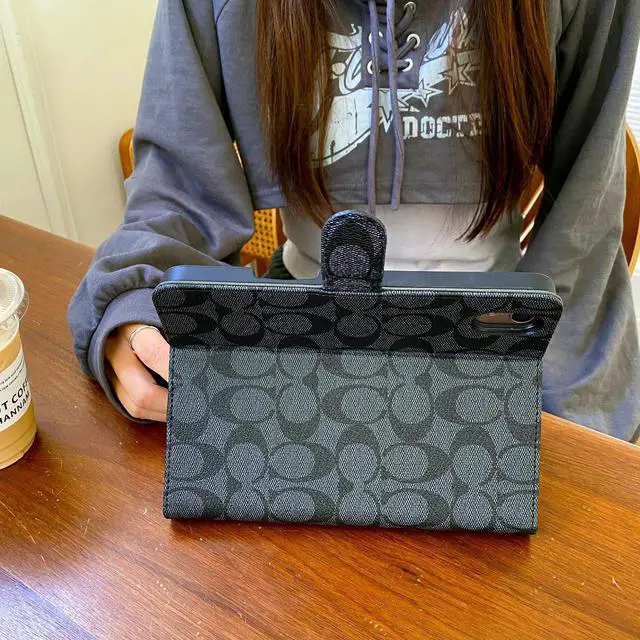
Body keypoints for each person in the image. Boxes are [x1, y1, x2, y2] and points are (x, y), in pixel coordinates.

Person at [68, 0, 640, 440]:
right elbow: (176, 192)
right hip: (300, 327)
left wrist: (564, 410)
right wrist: (135, 313)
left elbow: (584, 219)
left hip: (497, 330)